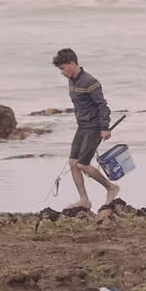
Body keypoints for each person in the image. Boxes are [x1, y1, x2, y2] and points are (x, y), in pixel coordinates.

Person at [52, 48, 119, 210]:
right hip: (82, 126)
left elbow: (102, 106)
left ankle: (111, 187)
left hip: (94, 127)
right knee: (73, 163)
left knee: (83, 165)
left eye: (63, 68)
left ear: (72, 63)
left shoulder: (90, 82)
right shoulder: (72, 80)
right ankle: (84, 200)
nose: (61, 72)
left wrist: (105, 127)